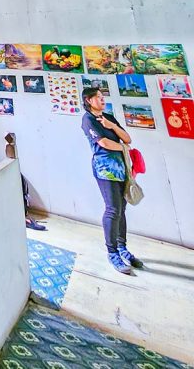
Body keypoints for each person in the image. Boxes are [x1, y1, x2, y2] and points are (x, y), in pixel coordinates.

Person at [81, 86, 143, 275]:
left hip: (121, 168)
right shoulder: (88, 120)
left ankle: (123, 247)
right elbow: (104, 143)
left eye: (102, 96)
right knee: (112, 209)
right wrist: (123, 147)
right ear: (89, 101)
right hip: (105, 169)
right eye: (98, 97)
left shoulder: (108, 118)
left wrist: (112, 126)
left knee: (121, 209)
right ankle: (112, 252)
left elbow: (128, 138)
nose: (102, 99)